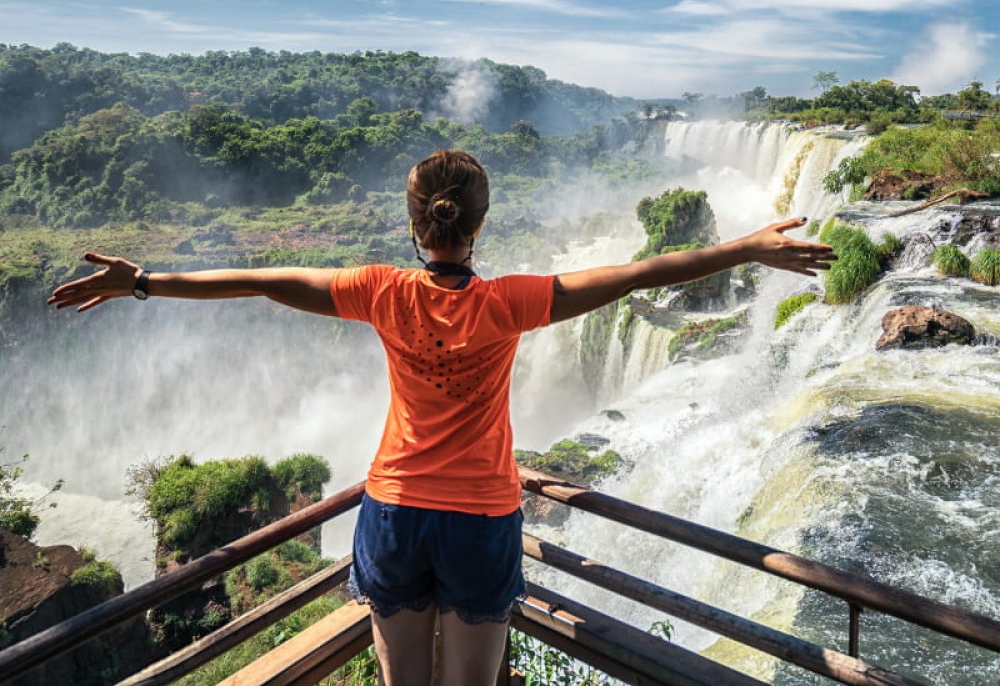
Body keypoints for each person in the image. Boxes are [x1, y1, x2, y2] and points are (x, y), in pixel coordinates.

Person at [49, 149, 835, 686]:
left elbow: (260, 281)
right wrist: (743, 251)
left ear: (415, 224)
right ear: (478, 226)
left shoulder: (380, 291)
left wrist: (145, 282)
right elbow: (635, 276)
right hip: (480, 515)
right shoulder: (511, 301)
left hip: (391, 510)